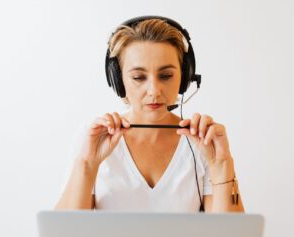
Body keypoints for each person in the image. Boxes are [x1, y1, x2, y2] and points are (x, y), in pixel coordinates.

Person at [55, 16, 244, 212]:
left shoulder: (202, 143)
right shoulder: (93, 139)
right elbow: (63, 236)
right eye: (138, 77)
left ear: (184, 77)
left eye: (166, 76)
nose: (154, 90)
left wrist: (221, 164)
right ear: (119, 81)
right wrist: (87, 163)